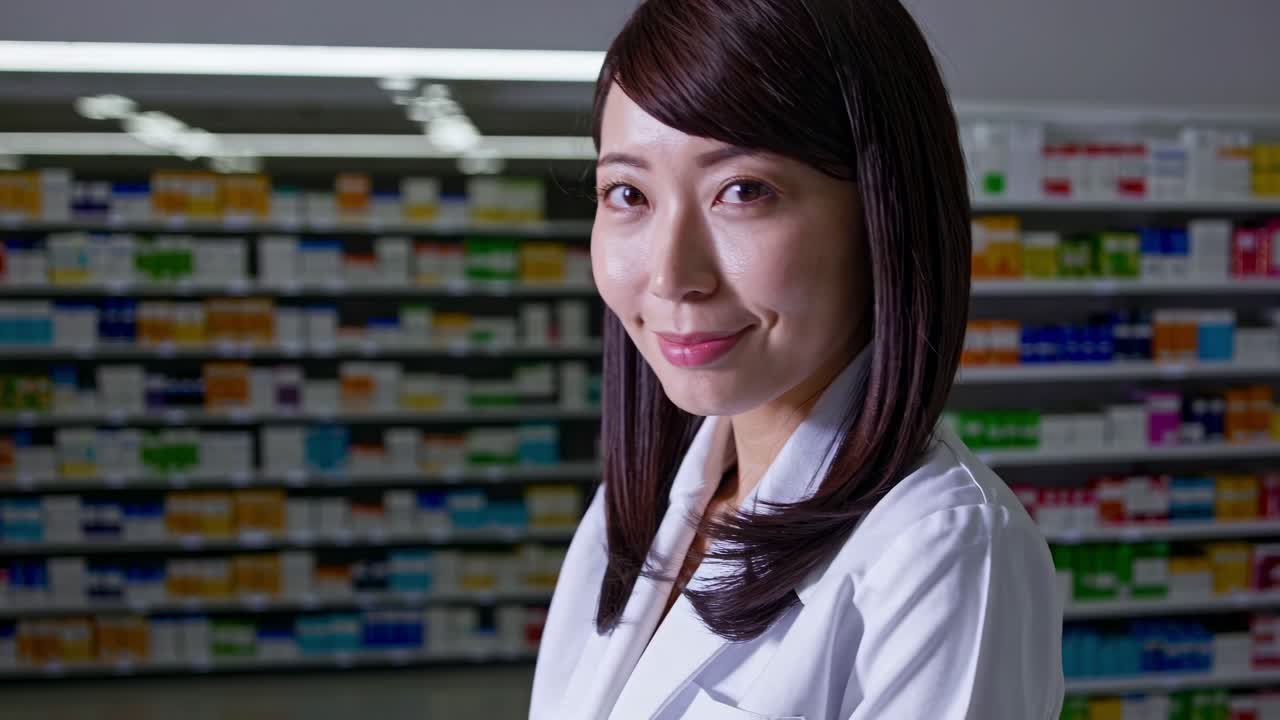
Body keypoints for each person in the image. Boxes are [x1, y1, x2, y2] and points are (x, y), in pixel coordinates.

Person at [530, 0, 1064, 717]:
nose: (669, 274)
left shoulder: (945, 549)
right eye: (628, 194)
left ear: (881, 212)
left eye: (744, 192)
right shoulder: (634, 509)